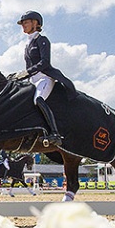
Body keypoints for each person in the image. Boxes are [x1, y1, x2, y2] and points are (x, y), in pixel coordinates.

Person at [17, 11, 76, 147]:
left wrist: (26, 72)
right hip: (32, 80)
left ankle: (55, 134)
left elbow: (45, 62)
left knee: (38, 99)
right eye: (23, 24)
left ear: (35, 23)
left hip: (44, 78)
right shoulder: (28, 44)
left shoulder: (42, 40)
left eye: (26, 23)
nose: (23, 26)